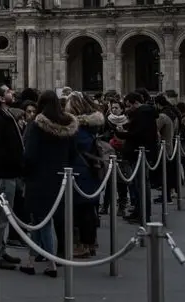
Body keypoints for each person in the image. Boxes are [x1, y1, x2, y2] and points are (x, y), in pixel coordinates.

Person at [18, 90, 78, 278]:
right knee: (40, 219)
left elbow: (30, 155)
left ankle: (51, 261)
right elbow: (74, 153)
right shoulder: (69, 125)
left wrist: (24, 171)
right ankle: (30, 259)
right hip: (61, 177)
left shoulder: (37, 126)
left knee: (42, 219)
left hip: (39, 177)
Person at [0, 84, 24, 269]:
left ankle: (0, 250)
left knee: (3, 217)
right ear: (1, 98)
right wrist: (10, 160)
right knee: (0, 218)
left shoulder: (5, 115)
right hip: (2, 173)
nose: (12, 92)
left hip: (8, 172)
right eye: (8, 91)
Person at [65, 91, 105, 258]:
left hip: (81, 171)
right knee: (88, 208)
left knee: (82, 210)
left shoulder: (78, 128)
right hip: (90, 169)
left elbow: (76, 147)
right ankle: (90, 242)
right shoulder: (90, 124)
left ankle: (84, 244)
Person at [115, 91, 158, 223]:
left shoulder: (143, 113)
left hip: (140, 152)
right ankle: (138, 211)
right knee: (138, 184)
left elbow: (137, 134)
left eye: (129, 106)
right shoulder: (145, 113)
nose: (128, 109)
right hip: (141, 151)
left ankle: (143, 214)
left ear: (136, 103)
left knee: (141, 184)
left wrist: (121, 134)